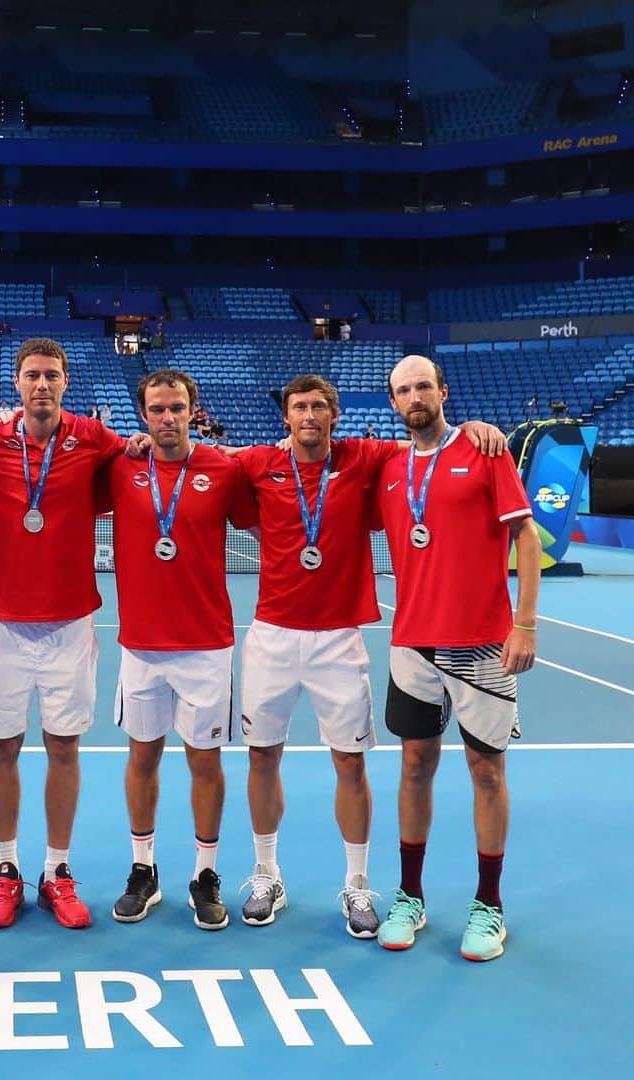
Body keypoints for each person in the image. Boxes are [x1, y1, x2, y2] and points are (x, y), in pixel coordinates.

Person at [230, 374, 507, 939]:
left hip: (339, 638)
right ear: (285, 417)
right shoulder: (258, 464)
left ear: (335, 415)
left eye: (318, 406)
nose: (308, 414)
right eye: (298, 406)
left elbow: (429, 439)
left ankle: (357, 884)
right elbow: (207, 463)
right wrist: (139, 441)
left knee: (350, 764)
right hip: (272, 635)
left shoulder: (365, 459)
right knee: (262, 757)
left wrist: (477, 429)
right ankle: (266, 873)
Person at [0, 337, 126, 930]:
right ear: (17, 383)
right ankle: (6, 870)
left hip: (70, 626)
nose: (42, 385)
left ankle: (56, 870)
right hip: (0, 626)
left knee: (63, 747)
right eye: (32, 375)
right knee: (2, 747)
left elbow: (143, 454)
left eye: (52, 375)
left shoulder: (93, 439)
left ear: (66, 381)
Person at [375, 354, 540, 963]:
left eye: (423, 385)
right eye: (403, 390)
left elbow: (524, 536)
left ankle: (488, 905)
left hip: (482, 645)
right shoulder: (388, 467)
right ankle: (409, 896)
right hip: (412, 644)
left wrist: (524, 625)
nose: (414, 396)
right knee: (414, 766)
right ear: (393, 403)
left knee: (486, 772)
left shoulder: (486, 451)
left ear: (443, 391)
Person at [106, 369, 257, 931]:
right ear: (143, 414)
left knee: (205, 762)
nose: (166, 419)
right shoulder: (122, 467)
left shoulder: (222, 469)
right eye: (156, 410)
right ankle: (143, 870)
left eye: (176, 409)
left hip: (205, 647)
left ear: (194, 410)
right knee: (141, 758)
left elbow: (270, 511)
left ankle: (205, 875)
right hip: (141, 647)